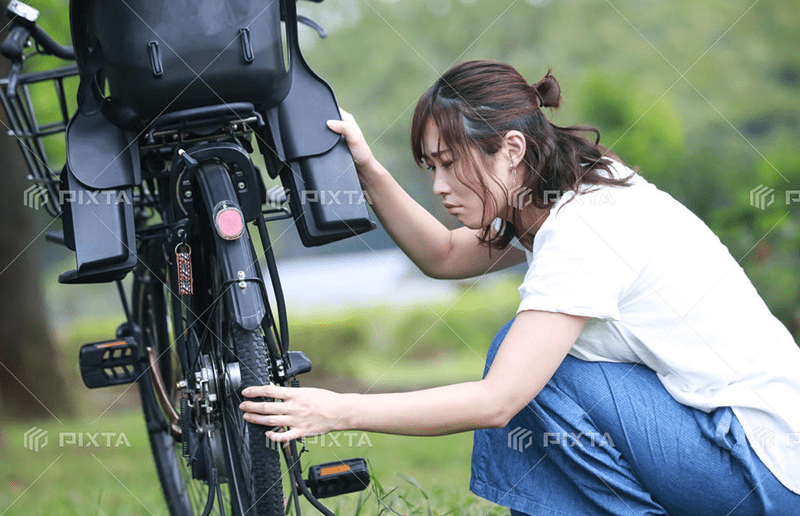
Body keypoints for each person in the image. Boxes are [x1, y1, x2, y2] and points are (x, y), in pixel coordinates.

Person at [240, 60, 800, 515]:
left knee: (535, 370)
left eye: (450, 164)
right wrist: (366, 167)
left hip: (755, 461)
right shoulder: (570, 190)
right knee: (535, 362)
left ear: (511, 149)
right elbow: (445, 253)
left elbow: (498, 402)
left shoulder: (585, 228)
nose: (438, 186)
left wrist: (338, 411)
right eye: (430, 166)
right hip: (745, 451)